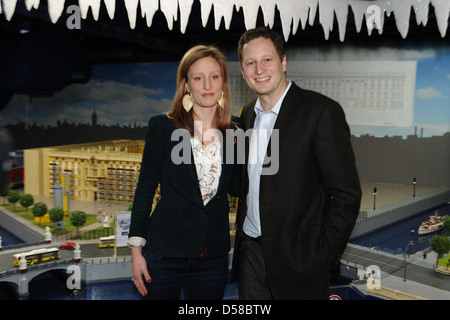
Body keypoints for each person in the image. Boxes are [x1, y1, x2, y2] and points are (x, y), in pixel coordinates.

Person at [231, 27, 362, 300]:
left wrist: (321, 258)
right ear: (243, 72)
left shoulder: (321, 113)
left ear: (283, 62)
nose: (259, 69)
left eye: (267, 59)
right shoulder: (246, 116)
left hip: (299, 264)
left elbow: (346, 195)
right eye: (250, 63)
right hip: (251, 259)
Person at [128, 44, 239, 300]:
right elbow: (144, 191)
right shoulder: (163, 127)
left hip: (213, 257)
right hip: (164, 254)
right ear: (186, 84)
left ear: (223, 82)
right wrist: (136, 254)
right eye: (198, 78)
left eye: (214, 76)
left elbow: (237, 188)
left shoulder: (236, 132)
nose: (207, 85)